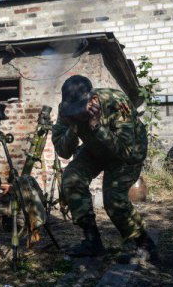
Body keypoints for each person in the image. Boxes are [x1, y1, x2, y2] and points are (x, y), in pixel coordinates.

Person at [52, 75, 156, 259]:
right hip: (94, 147)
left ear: (93, 99)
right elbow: (63, 151)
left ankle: (144, 244)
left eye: (79, 109)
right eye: (72, 110)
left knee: (113, 198)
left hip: (127, 151)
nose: (76, 113)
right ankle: (92, 242)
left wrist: (96, 126)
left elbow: (125, 150)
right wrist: (72, 130)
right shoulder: (66, 109)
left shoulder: (116, 103)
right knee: (71, 179)